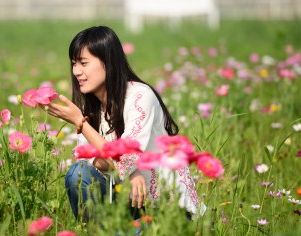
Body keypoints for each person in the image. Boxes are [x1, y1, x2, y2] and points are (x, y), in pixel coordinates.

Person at [46, 26, 205, 227]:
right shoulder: (90, 106)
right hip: (127, 205)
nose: (76, 71)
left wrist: (80, 123)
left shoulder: (140, 97)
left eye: (83, 63)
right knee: (79, 173)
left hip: (168, 211)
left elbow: (125, 159)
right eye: (74, 64)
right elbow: (92, 160)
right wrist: (129, 171)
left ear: (108, 62)